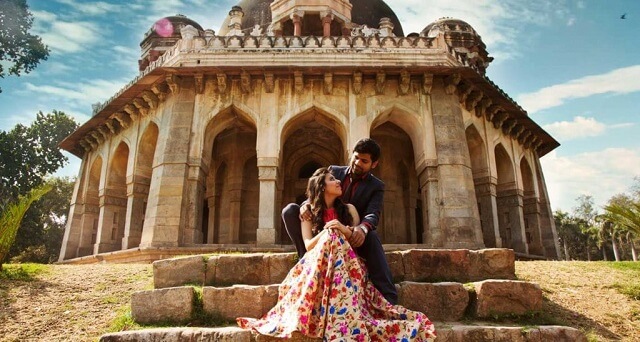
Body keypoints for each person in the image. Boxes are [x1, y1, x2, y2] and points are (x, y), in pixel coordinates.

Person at [238, 167, 436, 341]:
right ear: (323, 187)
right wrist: (327, 231)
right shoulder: (309, 213)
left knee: (335, 235)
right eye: (332, 180)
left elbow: (357, 241)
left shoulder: (349, 209)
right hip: (320, 263)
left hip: (348, 266)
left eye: (335, 178)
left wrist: (341, 228)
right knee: (331, 235)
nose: (338, 181)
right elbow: (308, 246)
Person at [282, 138, 397, 304]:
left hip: (350, 232)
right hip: (321, 229)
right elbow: (318, 190)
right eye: (356, 157)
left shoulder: (376, 186)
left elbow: (373, 213)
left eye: (364, 161)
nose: (357, 163)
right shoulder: (335, 171)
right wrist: (306, 205)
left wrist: (361, 229)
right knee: (290, 210)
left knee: (371, 236)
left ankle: (389, 298)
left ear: (374, 164)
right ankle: (306, 259)